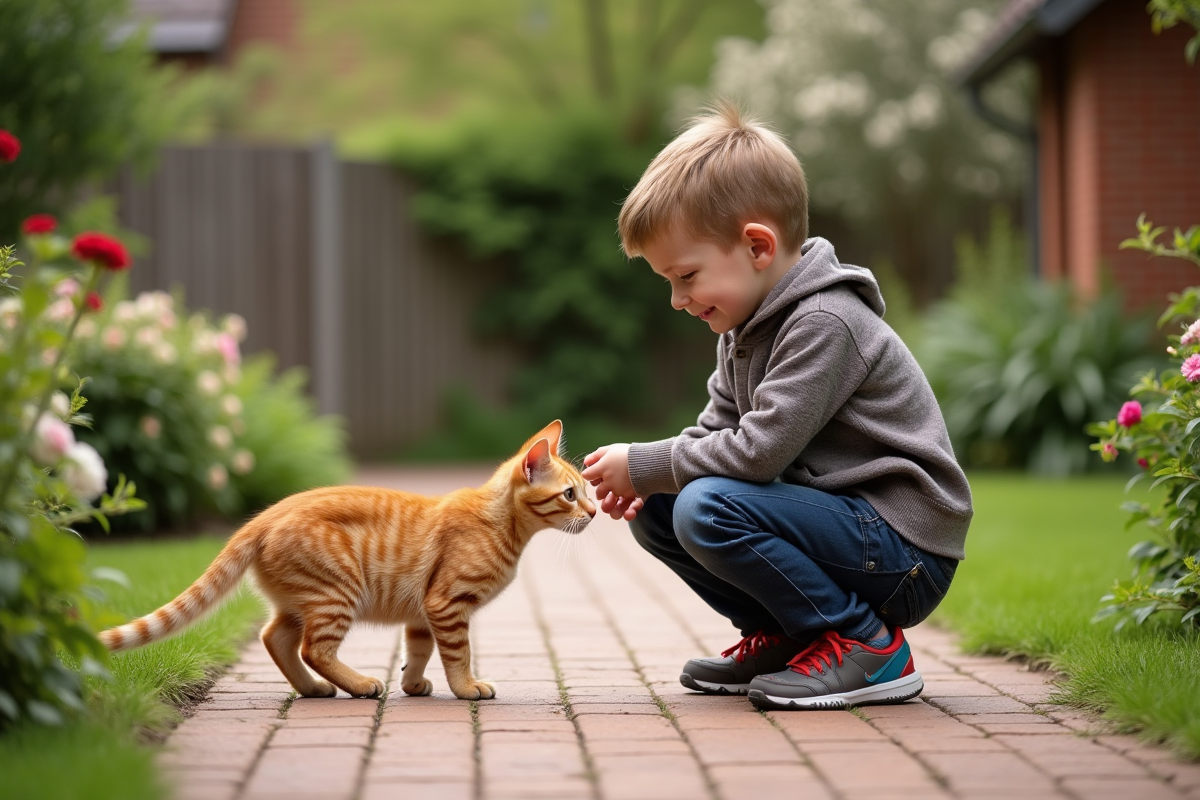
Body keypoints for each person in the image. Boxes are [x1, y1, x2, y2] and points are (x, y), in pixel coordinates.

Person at [581, 101, 972, 711]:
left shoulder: (825, 321)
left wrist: (647, 462)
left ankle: (866, 645)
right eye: (669, 282)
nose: (677, 299)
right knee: (663, 506)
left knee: (706, 505)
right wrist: (648, 478)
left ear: (757, 246)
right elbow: (715, 432)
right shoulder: (744, 329)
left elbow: (757, 453)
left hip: (903, 550)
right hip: (846, 531)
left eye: (686, 275)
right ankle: (791, 637)